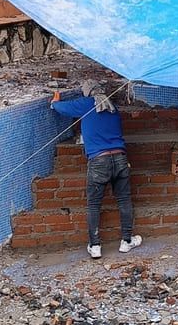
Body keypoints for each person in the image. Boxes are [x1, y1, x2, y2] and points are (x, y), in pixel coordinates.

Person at [51, 83, 142, 259]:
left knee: (94, 205)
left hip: (99, 160)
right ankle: (126, 241)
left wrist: (55, 102)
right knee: (124, 200)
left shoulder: (86, 104)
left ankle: (95, 245)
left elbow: (63, 108)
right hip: (120, 157)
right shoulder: (112, 107)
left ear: (88, 93)